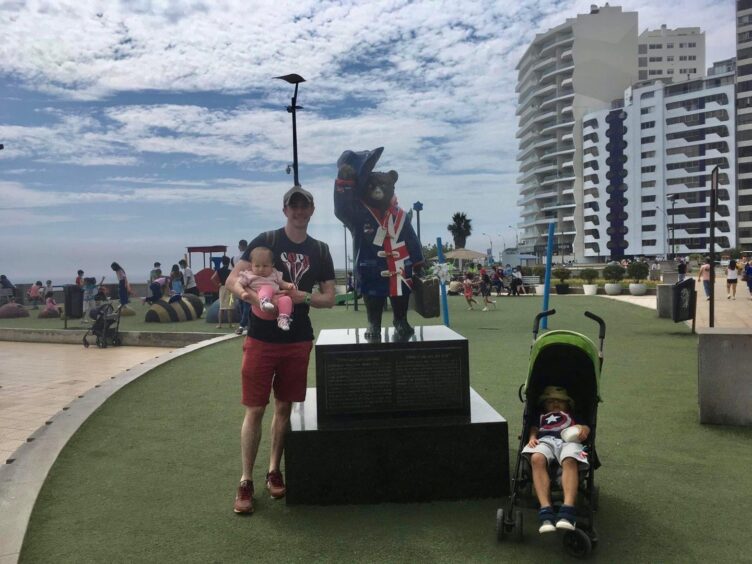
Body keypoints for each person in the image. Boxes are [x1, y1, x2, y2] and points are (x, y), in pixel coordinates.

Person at [226, 185, 335, 515]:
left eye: (305, 206)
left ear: (312, 210)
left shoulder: (321, 249)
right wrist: (249, 298)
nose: (299, 212)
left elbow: (329, 298)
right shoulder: (267, 241)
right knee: (255, 409)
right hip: (261, 339)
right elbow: (233, 279)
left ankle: (274, 469)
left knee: (284, 408)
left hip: (298, 338)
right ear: (285, 210)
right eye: (294, 206)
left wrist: (305, 298)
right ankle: (246, 480)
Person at [522, 386, 590, 534]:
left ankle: (568, 510)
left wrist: (582, 429)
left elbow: (585, 427)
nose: (555, 404)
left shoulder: (572, 415)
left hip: (569, 442)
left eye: (560, 401)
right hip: (545, 440)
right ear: (544, 404)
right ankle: (546, 509)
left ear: (567, 404)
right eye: (551, 401)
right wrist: (532, 438)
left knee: (570, 459)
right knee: (537, 458)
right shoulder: (540, 416)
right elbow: (533, 428)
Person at [237, 247, 296, 331]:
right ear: (251, 265)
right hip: (259, 306)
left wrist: (288, 285)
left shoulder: (274, 273)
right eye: (257, 266)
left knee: (286, 299)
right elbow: (239, 284)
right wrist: (242, 292)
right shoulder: (249, 275)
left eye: (265, 266)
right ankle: (264, 301)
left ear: (272, 264)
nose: (261, 269)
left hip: (275, 301)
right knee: (267, 288)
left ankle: (283, 319)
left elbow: (281, 283)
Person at [211, 256, 234, 329]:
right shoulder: (230, 270)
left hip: (222, 288)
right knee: (229, 307)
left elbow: (212, 278)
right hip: (229, 288)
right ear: (228, 262)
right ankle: (230, 325)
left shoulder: (218, 270)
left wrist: (218, 284)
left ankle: (219, 324)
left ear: (222, 262)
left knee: (222, 307)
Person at [233, 240, 251, 336]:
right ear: (247, 246)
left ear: (239, 246)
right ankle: (244, 325)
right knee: (247, 305)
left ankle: (243, 325)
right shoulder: (250, 256)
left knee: (241, 305)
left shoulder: (235, 258)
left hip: (237, 283)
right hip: (248, 282)